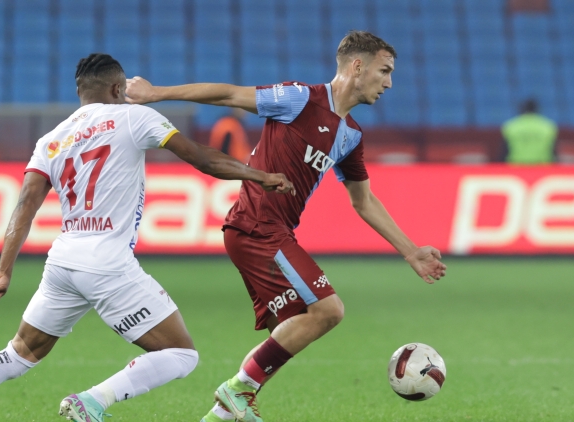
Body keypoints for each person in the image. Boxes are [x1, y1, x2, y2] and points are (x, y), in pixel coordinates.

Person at [0, 53, 294, 422]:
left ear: (79, 91)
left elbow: (25, 205)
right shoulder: (134, 117)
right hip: (106, 261)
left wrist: (4, 270)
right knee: (180, 354)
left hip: (63, 261)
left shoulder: (51, 140)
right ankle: (91, 402)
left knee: (18, 353)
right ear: (117, 89)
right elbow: (202, 158)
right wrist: (259, 176)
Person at [125, 30, 447, 422]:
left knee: (292, 329)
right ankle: (236, 391)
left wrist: (411, 251)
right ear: (356, 66)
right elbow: (229, 95)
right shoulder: (300, 99)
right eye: (384, 70)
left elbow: (363, 200)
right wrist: (155, 93)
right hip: (257, 226)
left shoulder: (351, 136)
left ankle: (224, 412)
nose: (389, 82)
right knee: (328, 310)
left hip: (268, 232)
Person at [501, 98, 558, 164]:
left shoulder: (510, 126)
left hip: (517, 166)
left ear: (522, 109)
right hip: (542, 166)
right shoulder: (549, 126)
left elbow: (504, 152)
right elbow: (553, 152)